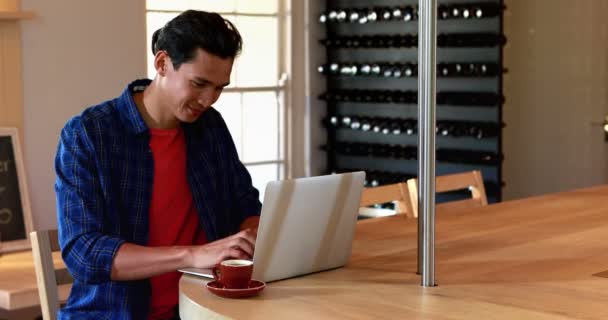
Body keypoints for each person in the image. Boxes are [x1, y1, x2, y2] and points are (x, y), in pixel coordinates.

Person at [54, 10, 261, 320]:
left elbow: (245, 204)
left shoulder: (211, 127)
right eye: (199, 83)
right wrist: (193, 254)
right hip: (113, 314)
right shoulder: (89, 134)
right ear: (162, 63)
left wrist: (253, 235)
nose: (209, 100)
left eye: (219, 88)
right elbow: (84, 254)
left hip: (205, 309)